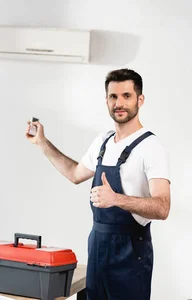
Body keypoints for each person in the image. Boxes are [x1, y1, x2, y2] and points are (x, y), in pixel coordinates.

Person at [26, 68, 170, 299]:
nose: (119, 103)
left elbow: (163, 207)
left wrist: (116, 199)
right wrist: (43, 143)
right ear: (106, 101)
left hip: (131, 251)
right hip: (98, 245)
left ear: (140, 100)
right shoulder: (102, 142)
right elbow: (74, 174)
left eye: (126, 95)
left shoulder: (151, 147)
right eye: (113, 96)